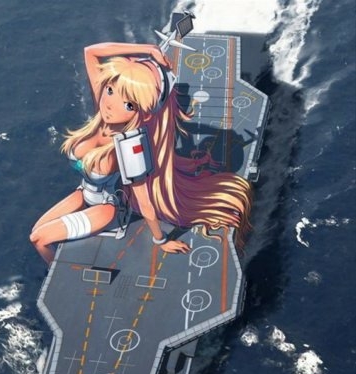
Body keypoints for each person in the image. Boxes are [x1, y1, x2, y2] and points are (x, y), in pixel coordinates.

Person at [30, 42, 251, 264]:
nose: (111, 104)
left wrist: (160, 240)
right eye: (110, 90)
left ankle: (56, 273)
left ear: (143, 113)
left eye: (128, 104)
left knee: (39, 238)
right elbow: (91, 52)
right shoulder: (102, 111)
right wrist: (148, 49)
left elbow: (145, 201)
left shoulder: (129, 148)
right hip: (83, 193)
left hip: (105, 208)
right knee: (37, 230)